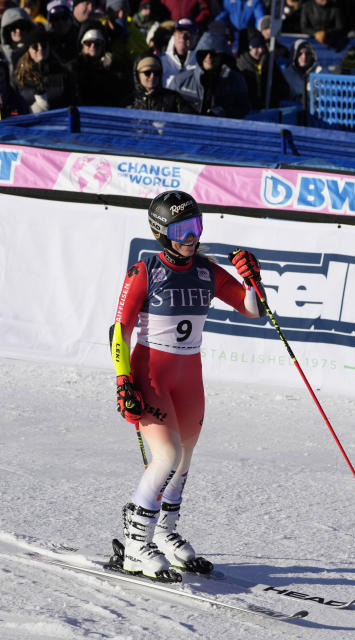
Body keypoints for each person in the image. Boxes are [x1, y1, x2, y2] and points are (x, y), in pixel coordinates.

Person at [108, 190, 265, 580]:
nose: (190, 237)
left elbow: (252, 310)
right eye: (181, 229)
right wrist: (123, 379)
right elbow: (118, 329)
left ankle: (165, 534)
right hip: (152, 375)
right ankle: (134, 544)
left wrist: (253, 280)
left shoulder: (206, 271)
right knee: (165, 456)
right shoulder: (145, 272)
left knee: (185, 458)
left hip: (189, 376)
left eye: (195, 226)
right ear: (161, 233)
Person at [169, 30, 251, 117]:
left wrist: (223, 112)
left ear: (222, 56)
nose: (208, 57)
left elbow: (244, 109)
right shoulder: (180, 82)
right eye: (204, 53)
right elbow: (168, 109)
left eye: (213, 54)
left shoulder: (236, 81)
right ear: (198, 55)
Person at [13, 26, 76, 111]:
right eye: (35, 46)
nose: (40, 49)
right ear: (28, 50)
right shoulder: (18, 76)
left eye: (44, 45)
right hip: (32, 121)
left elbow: (73, 101)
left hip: (59, 120)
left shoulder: (63, 72)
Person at [235, 32, 290, 109]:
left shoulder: (269, 63)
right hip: (248, 108)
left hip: (268, 107)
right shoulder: (240, 65)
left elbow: (283, 86)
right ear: (249, 49)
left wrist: (274, 96)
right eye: (256, 47)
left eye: (261, 47)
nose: (260, 50)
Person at [128, 53, 195, 111]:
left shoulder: (173, 100)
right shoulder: (130, 101)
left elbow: (192, 120)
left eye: (156, 72)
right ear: (137, 75)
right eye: (147, 73)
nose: (152, 76)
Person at [159, 17, 197, 87]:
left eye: (187, 34)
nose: (182, 37)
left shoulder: (201, 62)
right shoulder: (161, 60)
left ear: (195, 37)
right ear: (174, 35)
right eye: (179, 32)